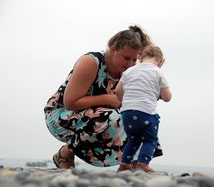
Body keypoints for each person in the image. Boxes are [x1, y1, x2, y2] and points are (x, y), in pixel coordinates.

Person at [44, 25, 163, 169]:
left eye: (134, 60)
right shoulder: (91, 61)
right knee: (112, 118)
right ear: (113, 49)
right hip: (62, 115)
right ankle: (66, 153)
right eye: (126, 58)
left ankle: (133, 164)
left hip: (97, 115)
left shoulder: (131, 71)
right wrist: (107, 99)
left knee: (143, 120)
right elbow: (70, 102)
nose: (130, 64)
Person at [115, 45, 172, 172]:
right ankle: (142, 163)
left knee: (132, 139)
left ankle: (124, 163)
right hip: (146, 112)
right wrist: (159, 94)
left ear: (140, 59)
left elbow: (118, 90)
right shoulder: (157, 72)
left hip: (127, 113)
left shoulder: (129, 71)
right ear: (161, 61)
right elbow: (167, 97)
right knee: (150, 139)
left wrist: (124, 102)